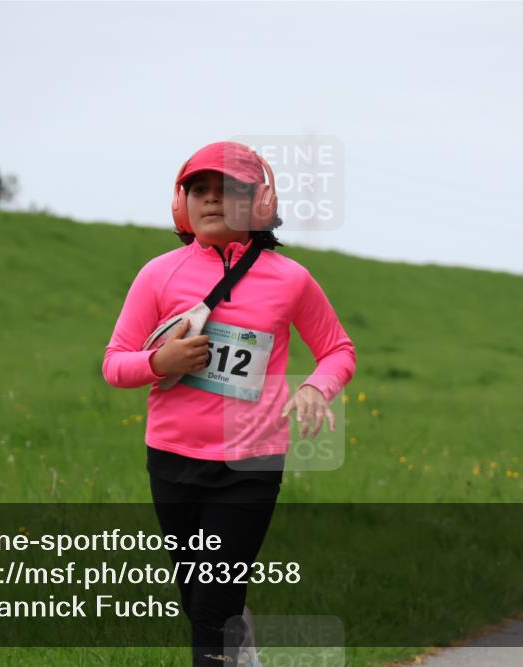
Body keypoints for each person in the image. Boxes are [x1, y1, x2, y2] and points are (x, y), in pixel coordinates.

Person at [103, 141, 356, 666]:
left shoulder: (291, 279)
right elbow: (114, 363)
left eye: (228, 189)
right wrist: (161, 362)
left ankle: (228, 645)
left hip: (251, 463)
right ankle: (242, 650)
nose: (212, 200)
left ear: (259, 202)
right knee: (199, 599)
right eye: (200, 189)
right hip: (172, 458)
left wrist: (315, 387)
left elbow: (337, 350)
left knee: (213, 606)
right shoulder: (158, 274)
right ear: (182, 203)